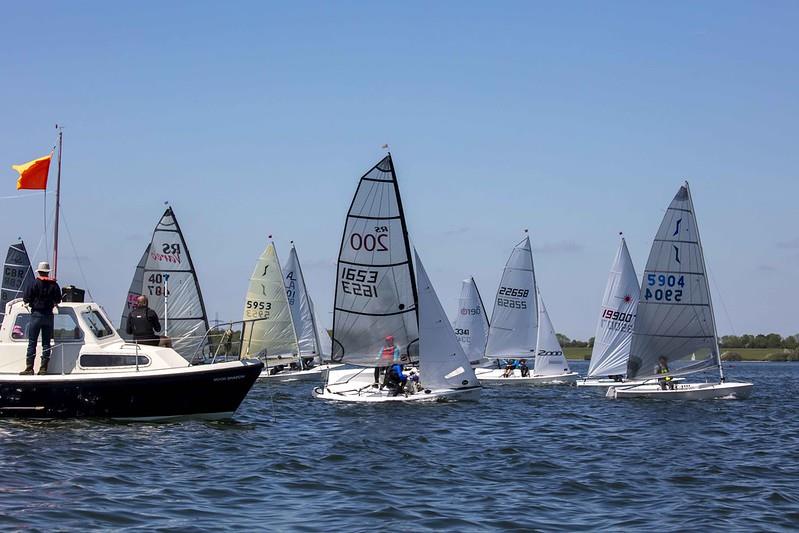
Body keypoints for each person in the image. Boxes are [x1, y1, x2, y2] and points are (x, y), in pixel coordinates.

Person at [20, 262, 61, 375]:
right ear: (48, 272)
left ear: (38, 271)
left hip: (36, 315)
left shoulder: (33, 283)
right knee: (46, 343)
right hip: (48, 316)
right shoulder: (54, 285)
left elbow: (26, 299)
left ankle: (29, 369)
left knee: (32, 342)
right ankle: (43, 369)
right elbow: (58, 300)